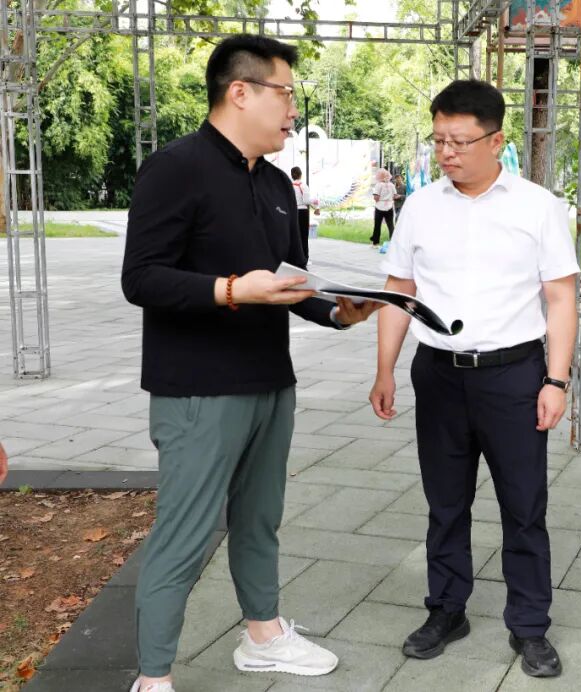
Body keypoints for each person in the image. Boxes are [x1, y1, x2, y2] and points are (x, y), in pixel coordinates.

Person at [121, 34, 379, 692]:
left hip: (270, 383)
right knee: (183, 534)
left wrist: (338, 312)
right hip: (198, 391)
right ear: (240, 92)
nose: (293, 109)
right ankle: (153, 678)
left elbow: (288, 282)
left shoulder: (275, 183)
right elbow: (141, 278)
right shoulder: (175, 168)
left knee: (260, 520)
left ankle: (262, 636)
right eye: (285, 93)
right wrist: (233, 289)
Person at [368, 79, 579, 678]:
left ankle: (530, 626)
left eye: (459, 141)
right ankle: (446, 609)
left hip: (513, 376)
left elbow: (561, 298)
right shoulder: (421, 206)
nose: (447, 152)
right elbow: (399, 289)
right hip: (438, 374)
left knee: (523, 506)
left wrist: (556, 381)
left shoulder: (537, 206)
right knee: (445, 503)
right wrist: (385, 369)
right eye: (439, 140)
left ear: (495, 140)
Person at [290, 166, 315, 259]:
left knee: (295, 236)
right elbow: (306, 201)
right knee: (303, 236)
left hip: (293, 212)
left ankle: (295, 258)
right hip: (303, 212)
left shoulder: (289, 186)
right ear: (301, 174)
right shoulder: (303, 185)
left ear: (292, 175)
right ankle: (304, 258)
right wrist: (315, 204)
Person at [370, 168, 396, 246]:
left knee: (377, 225)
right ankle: (393, 242)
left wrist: (378, 199)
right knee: (391, 225)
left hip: (380, 206)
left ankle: (375, 242)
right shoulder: (392, 185)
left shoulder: (378, 185)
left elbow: (376, 197)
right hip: (389, 206)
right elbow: (395, 196)